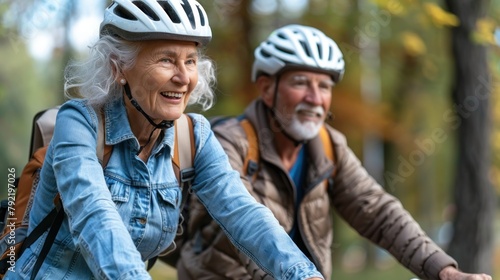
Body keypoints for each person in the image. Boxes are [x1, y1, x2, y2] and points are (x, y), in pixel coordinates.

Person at [4, 3, 325, 279]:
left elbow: (244, 214)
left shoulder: (193, 137)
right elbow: (94, 215)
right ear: (119, 67)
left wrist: (302, 272)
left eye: (190, 61)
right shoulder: (79, 123)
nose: (184, 78)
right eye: (167, 60)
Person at [177, 24, 493, 280]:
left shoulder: (327, 145)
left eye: (325, 86)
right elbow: (242, 225)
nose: (315, 98)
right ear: (266, 88)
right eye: (301, 82)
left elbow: (378, 212)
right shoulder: (229, 142)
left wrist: (443, 270)